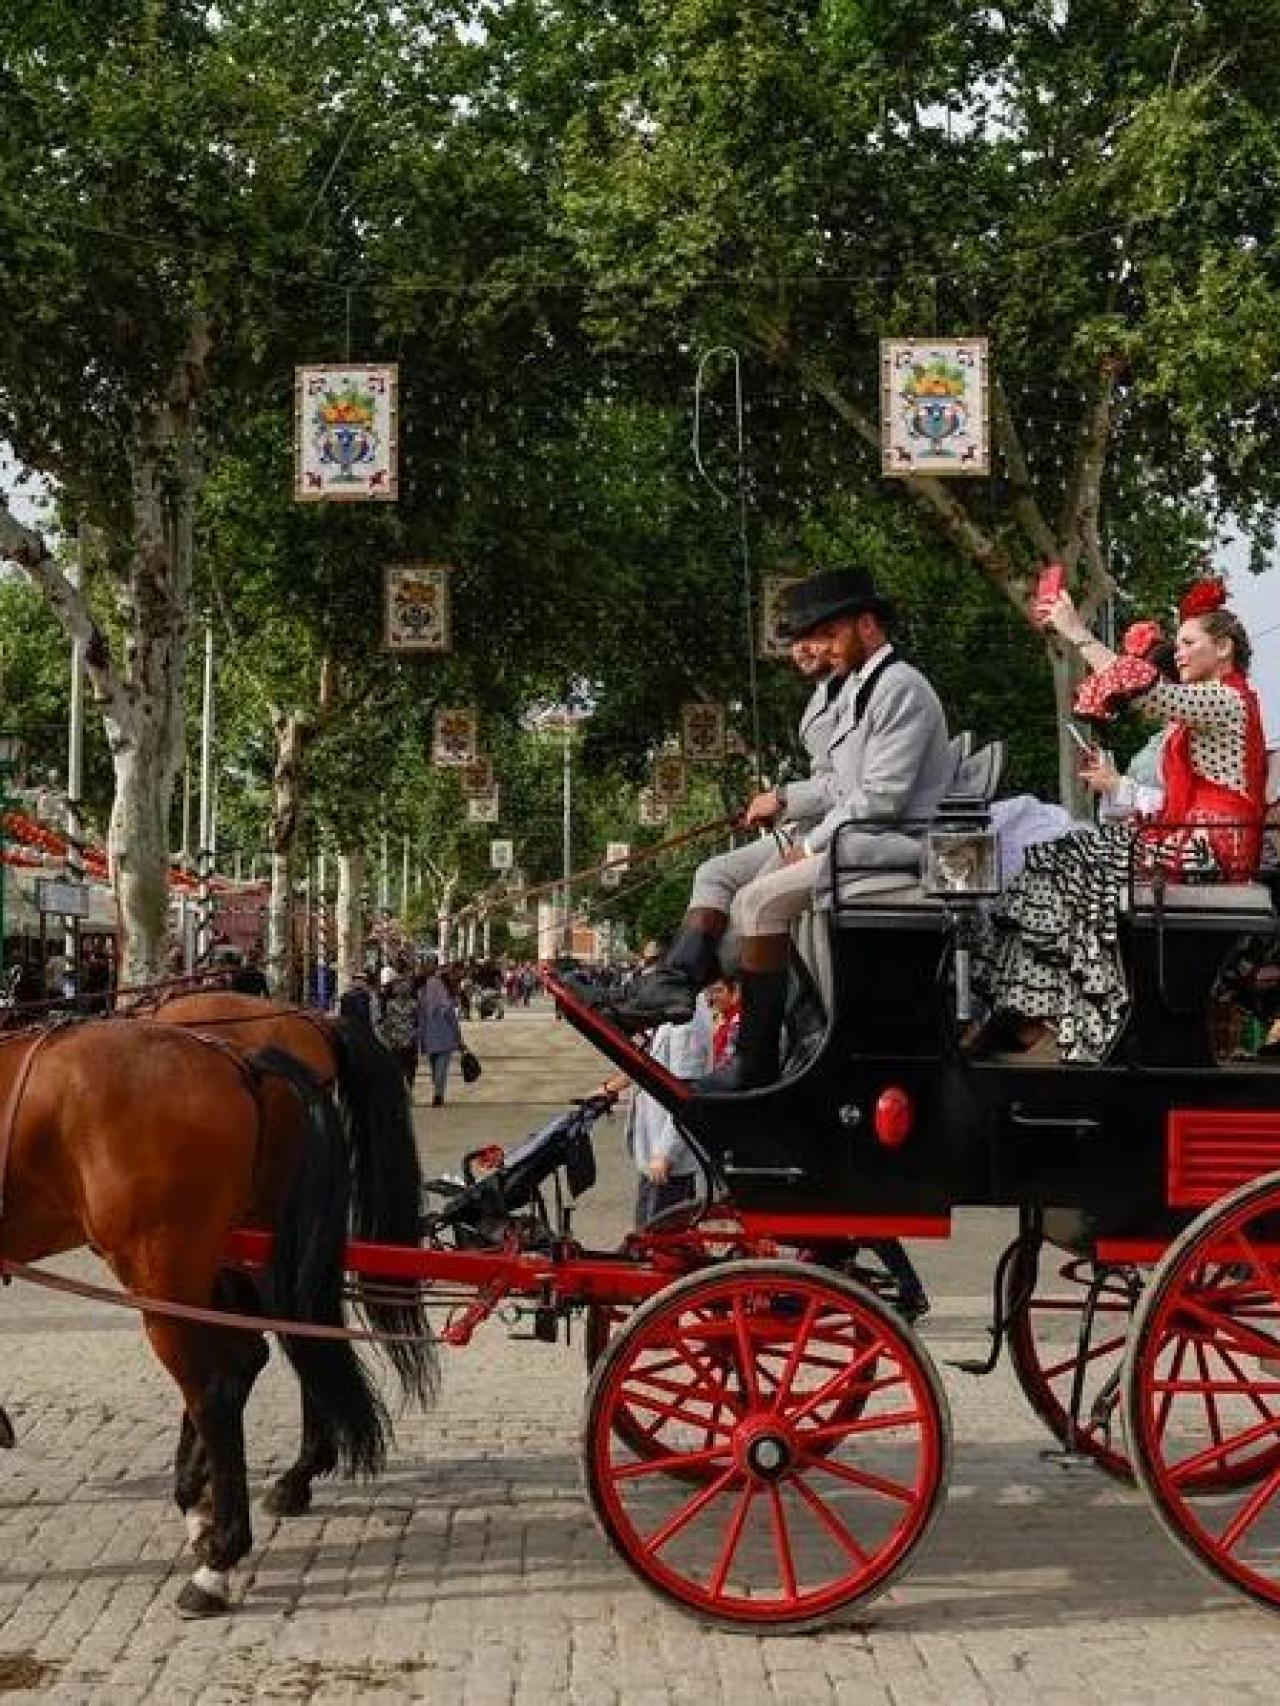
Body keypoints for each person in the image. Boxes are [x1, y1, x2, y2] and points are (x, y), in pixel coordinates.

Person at [591, 567, 955, 1093]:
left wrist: (809, 844)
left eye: (830, 634)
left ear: (869, 626)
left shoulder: (901, 689)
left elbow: (882, 797)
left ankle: (756, 1059)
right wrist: (786, 799)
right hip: (852, 835)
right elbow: (835, 785)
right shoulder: (855, 687)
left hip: (896, 843)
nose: (819, 648)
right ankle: (672, 986)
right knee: (717, 872)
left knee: (758, 902)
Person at [971, 577, 1266, 1063]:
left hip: (1211, 848)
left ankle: (1080, 1022)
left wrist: (1077, 632)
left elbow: (1144, 694)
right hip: (1194, 840)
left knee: (1067, 863)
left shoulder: (1226, 698)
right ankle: (1043, 1016)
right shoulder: (1211, 704)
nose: (1180, 654)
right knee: (1056, 857)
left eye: (1189, 643)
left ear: (1224, 647)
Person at [605, 996, 715, 1225]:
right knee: (645, 1229)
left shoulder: (687, 1023)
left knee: (660, 1234)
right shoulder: (674, 1012)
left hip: (668, 1161)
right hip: (655, 1152)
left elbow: (686, 1094)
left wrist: (667, 1152)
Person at [418, 957, 463, 1106]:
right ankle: (439, 1093)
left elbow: (419, 1018)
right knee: (442, 1067)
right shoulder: (443, 997)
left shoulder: (422, 994)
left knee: (434, 1066)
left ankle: (437, 1090)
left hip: (429, 1035)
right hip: (445, 1035)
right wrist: (458, 1036)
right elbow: (451, 1017)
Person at [377, 956, 420, 1090]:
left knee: (398, 1066)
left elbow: (385, 1020)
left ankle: (400, 1090)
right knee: (410, 1066)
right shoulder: (413, 1003)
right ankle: (408, 1088)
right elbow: (417, 1020)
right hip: (409, 1038)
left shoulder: (390, 1002)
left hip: (395, 1039)